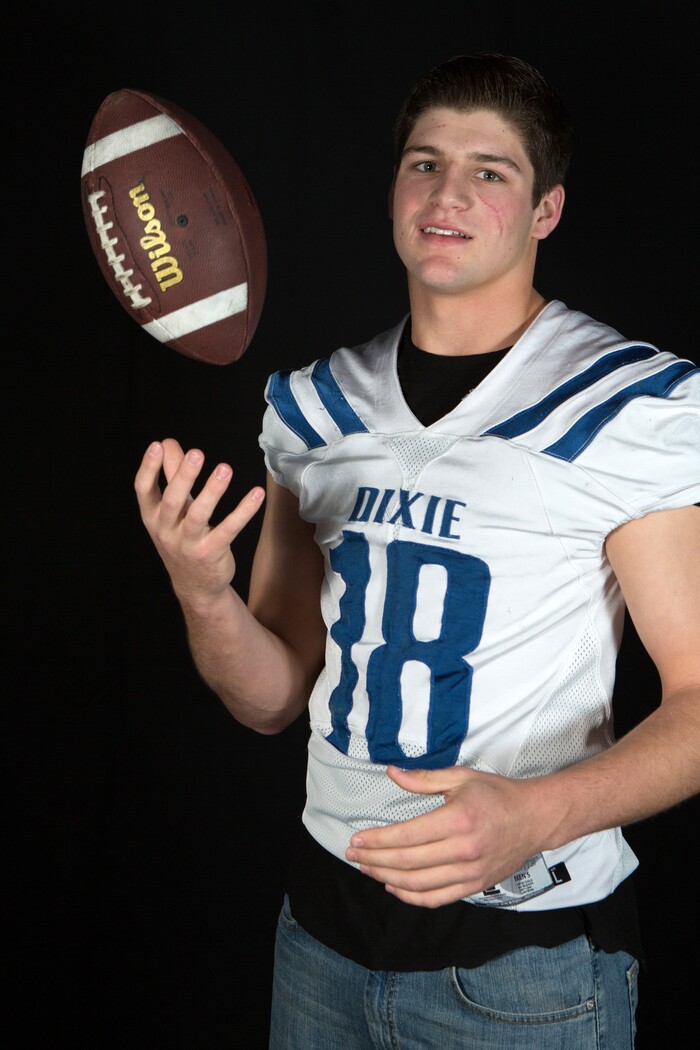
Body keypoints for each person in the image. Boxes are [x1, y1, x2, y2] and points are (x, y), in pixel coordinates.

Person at [135, 52, 700, 1048]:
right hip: (319, 935)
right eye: (423, 163)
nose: (447, 193)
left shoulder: (629, 405)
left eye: (491, 171)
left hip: (525, 964)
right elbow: (269, 699)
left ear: (546, 212)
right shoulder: (311, 408)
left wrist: (536, 815)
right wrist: (203, 594)